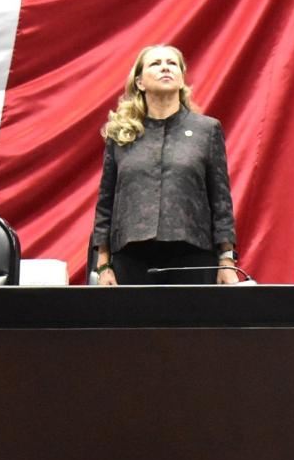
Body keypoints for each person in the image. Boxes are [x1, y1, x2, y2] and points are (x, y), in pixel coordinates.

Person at [92, 45, 238, 285]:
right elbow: (106, 203)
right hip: (131, 258)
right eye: (155, 63)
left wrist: (226, 261)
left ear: (181, 79)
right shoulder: (121, 134)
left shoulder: (207, 130)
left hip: (193, 255)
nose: (164, 67)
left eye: (172, 63)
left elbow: (221, 201)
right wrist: (104, 263)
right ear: (139, 82)